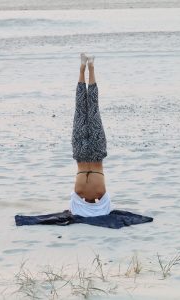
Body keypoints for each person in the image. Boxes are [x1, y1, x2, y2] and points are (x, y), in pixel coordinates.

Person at [69, 53, 112, 217]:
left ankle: (90, 67)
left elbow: (105, 209)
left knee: (93, 107)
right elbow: (74, 209)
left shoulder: (101, 194)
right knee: (80, 108)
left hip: (95, 152)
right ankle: (83, 68)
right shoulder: (78, 195)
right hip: (82, 153)